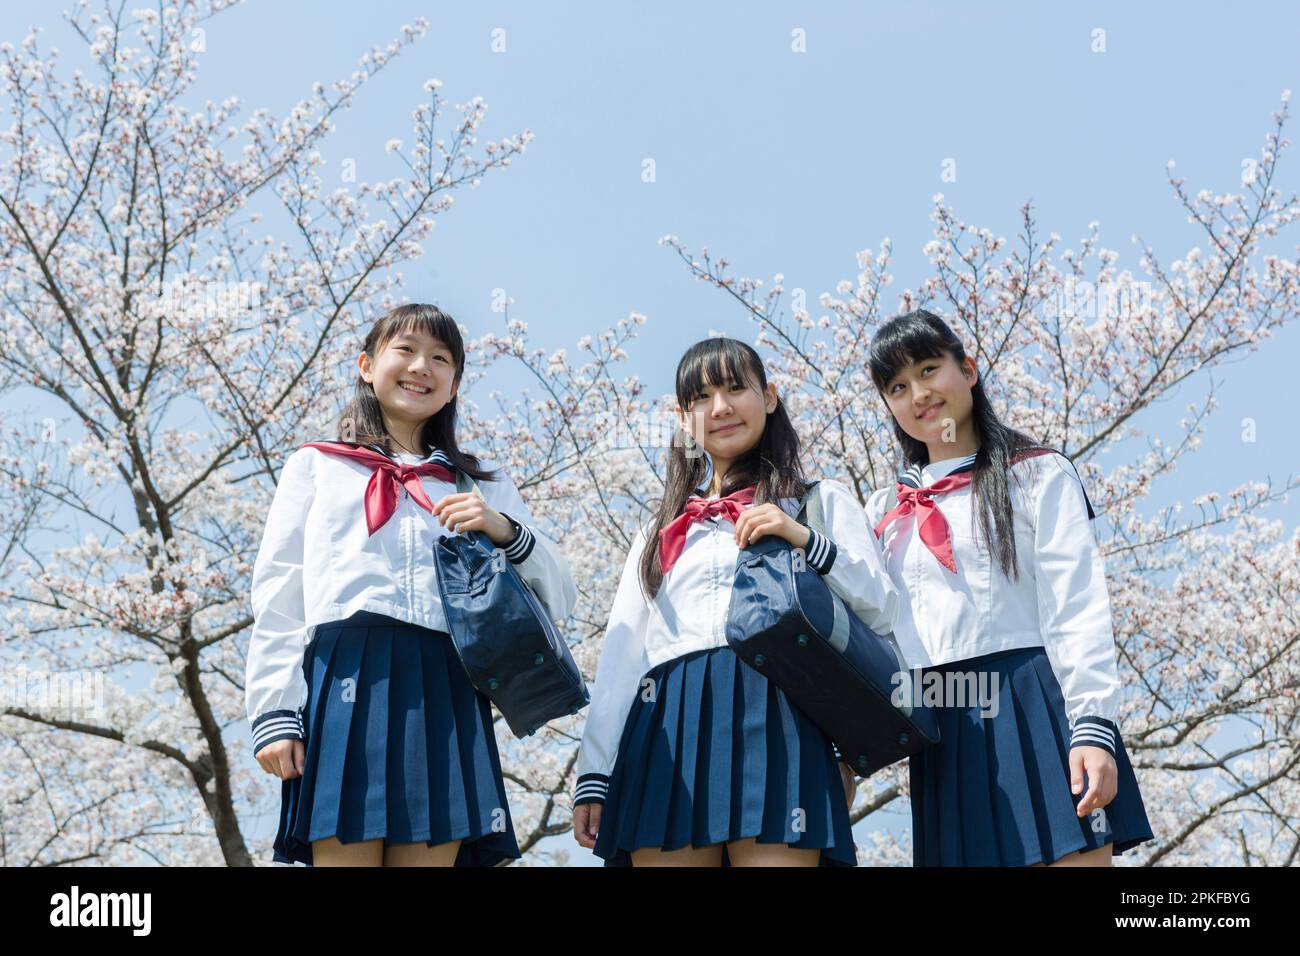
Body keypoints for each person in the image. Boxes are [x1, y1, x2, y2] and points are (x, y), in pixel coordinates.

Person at [245, 303, 577, 866]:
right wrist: (274, 712)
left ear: (453, 387)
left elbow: (559, 597)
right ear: (366, 365)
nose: (421, 366)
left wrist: (504, 530)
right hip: (345, 674)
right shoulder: (316, 466)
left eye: (441, 358)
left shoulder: (480, 482)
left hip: (442, 680)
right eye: (406, 350)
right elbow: (280, 593)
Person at [571, 336, 898, 866]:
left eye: (735, 388)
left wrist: (804, 539)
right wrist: (595, 773)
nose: (720, 408)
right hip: (669, 722)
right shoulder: (661, 531)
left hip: (782, 715)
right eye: (701, 398)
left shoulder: (818, 500)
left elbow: (881, 609)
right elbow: (622, 658)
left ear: (769, 397)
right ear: (682, 418)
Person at [867, 307, 1154, 867]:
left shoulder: (1038, 473)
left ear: (969, 369)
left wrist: (1094, 727)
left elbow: (1078, 604)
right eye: (898, 386)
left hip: (1031, 702)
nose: (918, 393)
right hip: (942, 724)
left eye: (929, 369)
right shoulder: (883, 512)